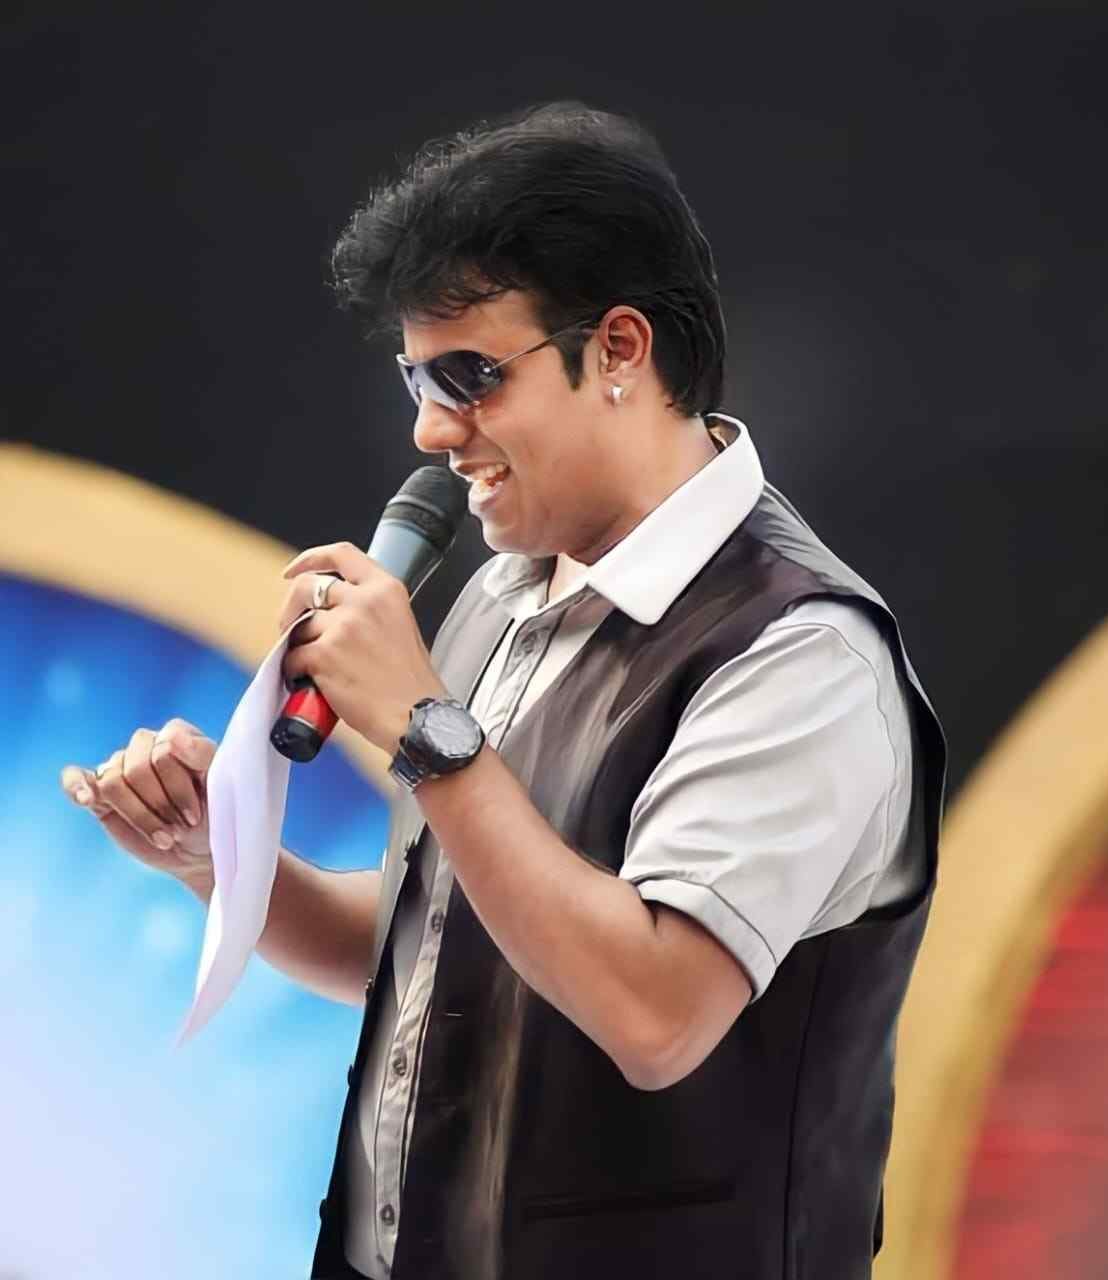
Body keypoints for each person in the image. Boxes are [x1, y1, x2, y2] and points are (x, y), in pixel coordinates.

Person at [60, 102, 946, 1279]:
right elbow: (440, 939)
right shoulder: (505, 590)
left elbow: (654, 1012)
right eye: (414, 378)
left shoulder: (799, 650)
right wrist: (219, 860)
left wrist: (426, 729)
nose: (432, 430)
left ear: (619, 348)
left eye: (469, 375)